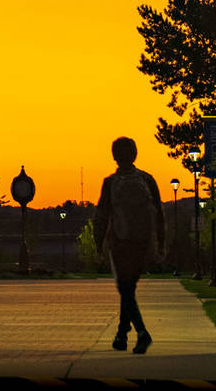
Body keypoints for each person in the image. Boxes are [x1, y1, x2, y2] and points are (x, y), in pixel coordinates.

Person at [94, 136, 165, 354]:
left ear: (114, 156)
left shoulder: (110, 182)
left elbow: (102, 214)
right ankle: (122, 333)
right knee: (128, 288)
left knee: (125, 288)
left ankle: (142, 333)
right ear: (135, 154)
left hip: (120, 240)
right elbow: (160, 214)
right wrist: (160, 243)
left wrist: (98, 242)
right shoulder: (147, 179)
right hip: (142, 241)